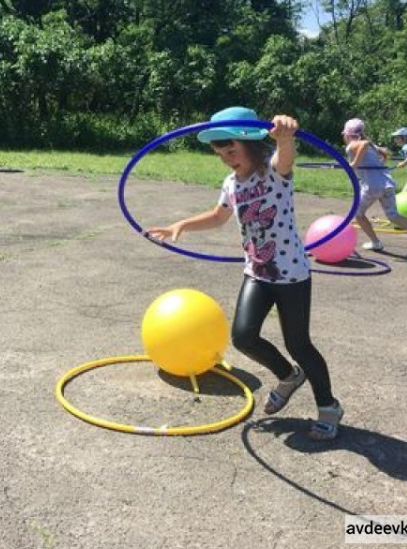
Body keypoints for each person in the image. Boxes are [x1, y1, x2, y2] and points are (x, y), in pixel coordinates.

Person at [147, 106, 343, 441]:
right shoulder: (230, 184)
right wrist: (180, 225)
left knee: (299, 343)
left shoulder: (273, 172)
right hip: (257, 272)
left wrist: (285, 136)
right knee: (243, 337)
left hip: (291, 274)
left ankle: (328, 406)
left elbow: (286, 157)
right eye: (220, 152)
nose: (226, 157)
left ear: (250, 143)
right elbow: (218, 216)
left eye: (231, 150)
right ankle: (288, 376)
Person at [343, 119, 407, 256]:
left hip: (372, 185)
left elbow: (364, 144)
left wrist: (355, 163)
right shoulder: (371, 145)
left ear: (348, 135)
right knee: (393, 215)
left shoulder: (353, 145)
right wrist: (382, 160)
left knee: (357, 214)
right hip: (387, 183)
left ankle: (376, 242)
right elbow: (385, 151)